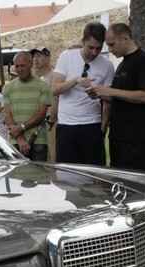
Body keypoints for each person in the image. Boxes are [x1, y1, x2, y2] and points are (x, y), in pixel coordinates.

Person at [92, 23, 145, 171]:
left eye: (112, 44)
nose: (110, 49)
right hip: (118, 135)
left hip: (135, 137)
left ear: (125, 38)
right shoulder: (123, 64)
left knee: (132, 183)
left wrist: (113, 92)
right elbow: (120, 98)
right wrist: (101, 94)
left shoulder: (144, 60)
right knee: (117, 177)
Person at [52, 21, 115, 165]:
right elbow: (55, 89)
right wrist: (75, 80)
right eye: (90, 47)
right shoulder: (66, 56)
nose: (94, 53)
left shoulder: (107, 65)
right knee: (67, 175)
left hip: (91, 125)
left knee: (93, 175)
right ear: (82, 41)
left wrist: (102, 129)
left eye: (98, 48)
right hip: (66, 126)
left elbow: (109, 100)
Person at [2, 51, 51, 161]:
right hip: (15, 141)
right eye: (17, 66)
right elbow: (7, 115)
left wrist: (21, 127)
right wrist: (20, 138)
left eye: (23, 65)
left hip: (38, 140)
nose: (19, 69)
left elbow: (42, 114)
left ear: (31, 64)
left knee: (40, 176)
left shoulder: (43, 86)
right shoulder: (8, 88)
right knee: (18, 177)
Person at [31, 47, 58, 162]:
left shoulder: (55, 75)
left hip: (52, 121)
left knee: (53, 154)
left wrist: (52, 119)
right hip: (42, 122)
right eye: (34, 57)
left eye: (39, 56)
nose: (36, 59)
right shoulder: (40, 79)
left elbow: (57, 99)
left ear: (48, 58)